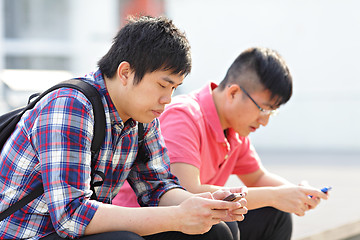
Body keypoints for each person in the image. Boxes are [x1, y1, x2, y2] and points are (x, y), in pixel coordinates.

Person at [0, 16, 247, 240]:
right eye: (163, 85)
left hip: (74, 230)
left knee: (214, 231)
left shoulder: (142, 116)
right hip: (29, 234)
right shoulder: (70, 105)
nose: (168, 99)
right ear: (126, 72)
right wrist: (178, 217)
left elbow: (158, 188)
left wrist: (205, 204)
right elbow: (70, 217)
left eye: (174, 88)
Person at [114, 47, 329, 240]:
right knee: (222, 226)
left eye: (273, 112)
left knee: (274, 215)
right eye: (263, 108)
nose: (265, 119)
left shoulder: (235, 131)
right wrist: (276, 196)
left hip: (191, 221)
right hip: (146, 224)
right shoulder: (183, 115)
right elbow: (188, 192)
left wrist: (295, 193)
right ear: (234, 93)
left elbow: (258, 177)